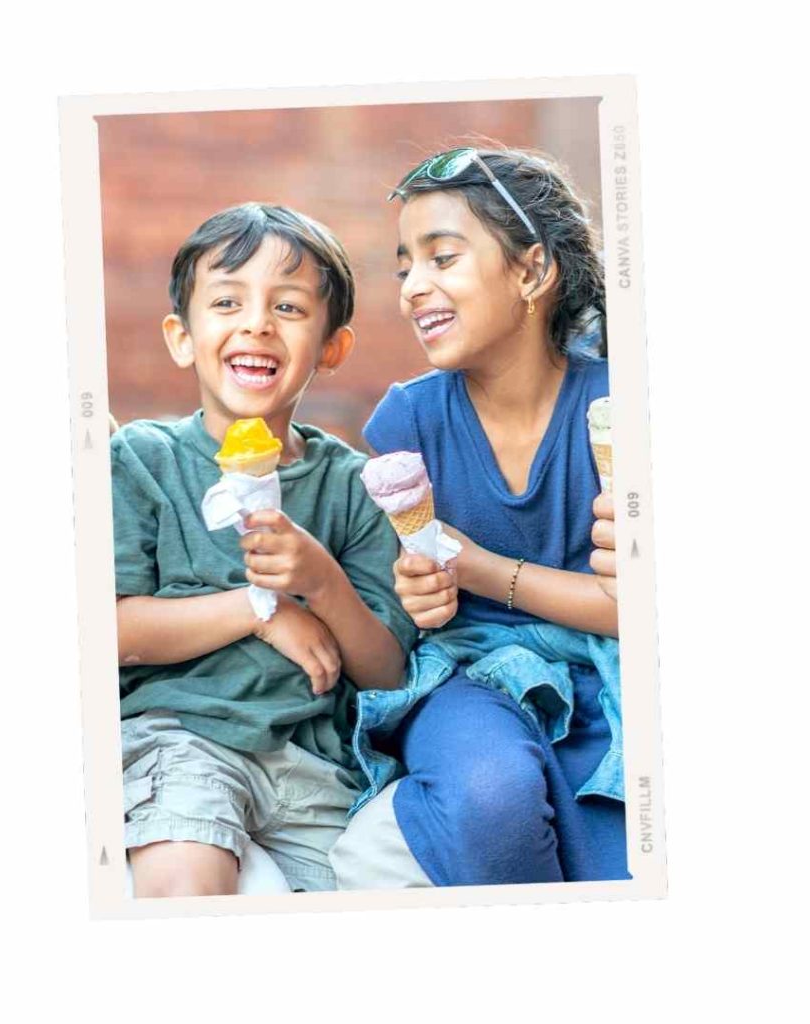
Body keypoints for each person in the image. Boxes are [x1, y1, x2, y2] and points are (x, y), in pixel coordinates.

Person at [330, 147, 627, 888]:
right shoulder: (409, 420)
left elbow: (631, 609)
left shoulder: (617, 410)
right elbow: (411, 618)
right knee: (490, 797)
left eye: (443, 259)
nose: (412, 288)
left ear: (530, 272)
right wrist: (421, 595)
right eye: (405, 267)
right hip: (465, 676)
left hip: (609, 671)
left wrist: (482, 568)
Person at [112, 203, 417, 897]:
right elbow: (112, 631)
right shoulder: (143, 460)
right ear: (182, 337)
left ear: (333, 347)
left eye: (288, 306)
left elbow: (387, 673)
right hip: (183, 738)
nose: (256, 324)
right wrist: (261, 608)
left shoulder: (351, 485)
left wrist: (324, 583)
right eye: (227, 301)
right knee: (184, 887)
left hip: (315, 766)